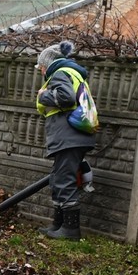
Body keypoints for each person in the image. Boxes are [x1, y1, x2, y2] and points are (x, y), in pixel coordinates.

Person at [35, 40, 97, 240]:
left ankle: (70, 230)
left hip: (68, 136)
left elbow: (66, 98)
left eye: (41, 68)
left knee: (64, 181)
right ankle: (58, 225)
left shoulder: (60, 73)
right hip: (74, 136)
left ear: (47, 65)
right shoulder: (73, 74)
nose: (41, 72)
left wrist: (43, 95)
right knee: (59, 178)